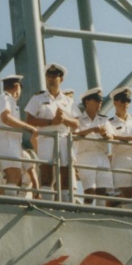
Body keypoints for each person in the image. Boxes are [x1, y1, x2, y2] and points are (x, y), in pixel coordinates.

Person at [24, 63, 80, 200]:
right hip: (46, 137)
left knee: (66, 172)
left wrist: (63, 120)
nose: (51, 78)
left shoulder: (69, 100)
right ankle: (47, 204)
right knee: (46, 172)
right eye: (49, 75)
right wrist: (50, 122)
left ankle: (67, 206)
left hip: (64, 137)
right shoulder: (38, 98)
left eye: (55, 76)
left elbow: (77, 123)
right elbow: (29, 120)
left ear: (61, 79)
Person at [0, 74, 38, 196]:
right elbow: (5, 117)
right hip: (7, 140)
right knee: (14, 176)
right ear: (17, 86)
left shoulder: (8, 100)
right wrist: (28, 127)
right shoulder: (6, 98)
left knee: (9, 178)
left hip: (12, 142)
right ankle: (9, 208)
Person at [73, 87, 115, 204]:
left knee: (102, 191)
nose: (99, 103)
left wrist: (104, 134)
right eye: (96, 100)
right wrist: (92, 130)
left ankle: (99, 216)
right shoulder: (78, 120)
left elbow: (111, 136)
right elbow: (74, 134)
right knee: (90, 191)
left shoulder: (104, 120)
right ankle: (86, 214)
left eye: (100, 101)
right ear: (87, 102)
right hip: (85, 156)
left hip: (102, 155)